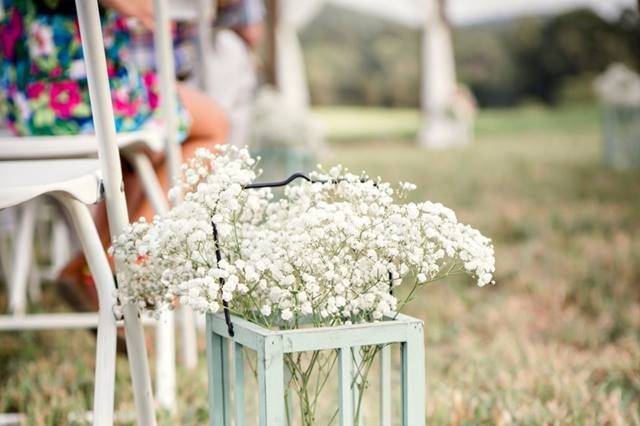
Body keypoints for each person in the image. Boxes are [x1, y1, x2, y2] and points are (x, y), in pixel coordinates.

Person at [0, 0, 229, 310]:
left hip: (19, 112)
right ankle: (138, 251)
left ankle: (93, 266)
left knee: (139, 152)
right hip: (75, 102)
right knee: (214, 124)